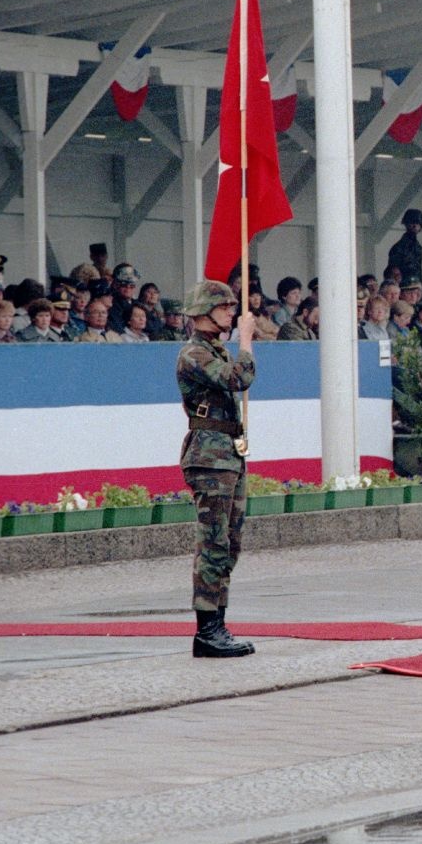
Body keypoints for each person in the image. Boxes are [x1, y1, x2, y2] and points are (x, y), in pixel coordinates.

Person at [176, 280, 257, 658]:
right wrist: (246, 341)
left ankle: (218, 625)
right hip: (209, 458)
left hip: (227, 454)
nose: (231, 312)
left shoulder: (214, 349)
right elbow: (238, 379)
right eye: (224, 307)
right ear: (203, 312)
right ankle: (207, 631)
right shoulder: (194, 354)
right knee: (213, 543)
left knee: (230, 543)